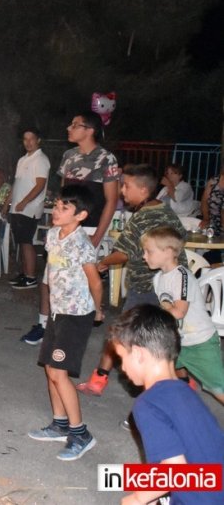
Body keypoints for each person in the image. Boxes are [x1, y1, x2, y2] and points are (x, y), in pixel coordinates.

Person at [77, 163, 187, 396]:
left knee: (119, 332)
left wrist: (103, 263)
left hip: (146, 286)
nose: (122, 191)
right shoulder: (167, 212)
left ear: (144, 190)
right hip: (173, 286)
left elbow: (123, 253)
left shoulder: (140, 219)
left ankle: (99, 378)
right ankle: (184, 382)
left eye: (126, 186)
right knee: (165, 334)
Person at [109, 304, 224, 505]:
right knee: (119, 478)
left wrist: (137, 499)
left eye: (122, 358)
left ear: (138, 354)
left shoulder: (148, 404)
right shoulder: (187, 393)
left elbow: (175, 469)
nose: (123, 368)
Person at [21, 112, 119, 345]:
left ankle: (78, 323)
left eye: (75, 125)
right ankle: (44, 323)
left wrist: (96, 236)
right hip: (67, 227)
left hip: (90, 227)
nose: (69, 128)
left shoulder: (106, 159)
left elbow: (111, 201)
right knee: (50, 277)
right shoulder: (69, 157)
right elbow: (65, 196)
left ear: (90, 130)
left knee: (83, 280)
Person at [25, 184, 102, 461]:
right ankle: (59, 423)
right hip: (58, 313)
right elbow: (51, 272)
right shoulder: (53, 236)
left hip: (76, 314)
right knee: (50, 369)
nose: (56, 211)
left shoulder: (82, 244)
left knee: (59, 372)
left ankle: (80, 433)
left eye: (64, 208)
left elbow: (94, 280)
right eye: (56, 205)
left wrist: (98, 309)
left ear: (80, 215)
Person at [143, 227, 224, 405]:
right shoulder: (158, 278)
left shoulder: (181, 276)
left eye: (149, 251)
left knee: (219, 389)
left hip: (200, 342)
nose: (144, 256)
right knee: (156, 374)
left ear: (169, 252)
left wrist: (151, 317)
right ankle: (157, 410)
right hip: (178, 341)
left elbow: (179, 311)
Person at [7, 129, 50, 290]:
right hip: (18, 208)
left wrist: (25, 201)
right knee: (21, 242)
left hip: (29, 208)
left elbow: (40, 185)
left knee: (27, 242)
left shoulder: (41, 160)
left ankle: (31, 277)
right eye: (25, 139)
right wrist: (7, 205)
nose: (28, 142)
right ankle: (25, 273)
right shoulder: (23, 159)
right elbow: (17, 184)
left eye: (31, 139)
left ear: (38, 140)